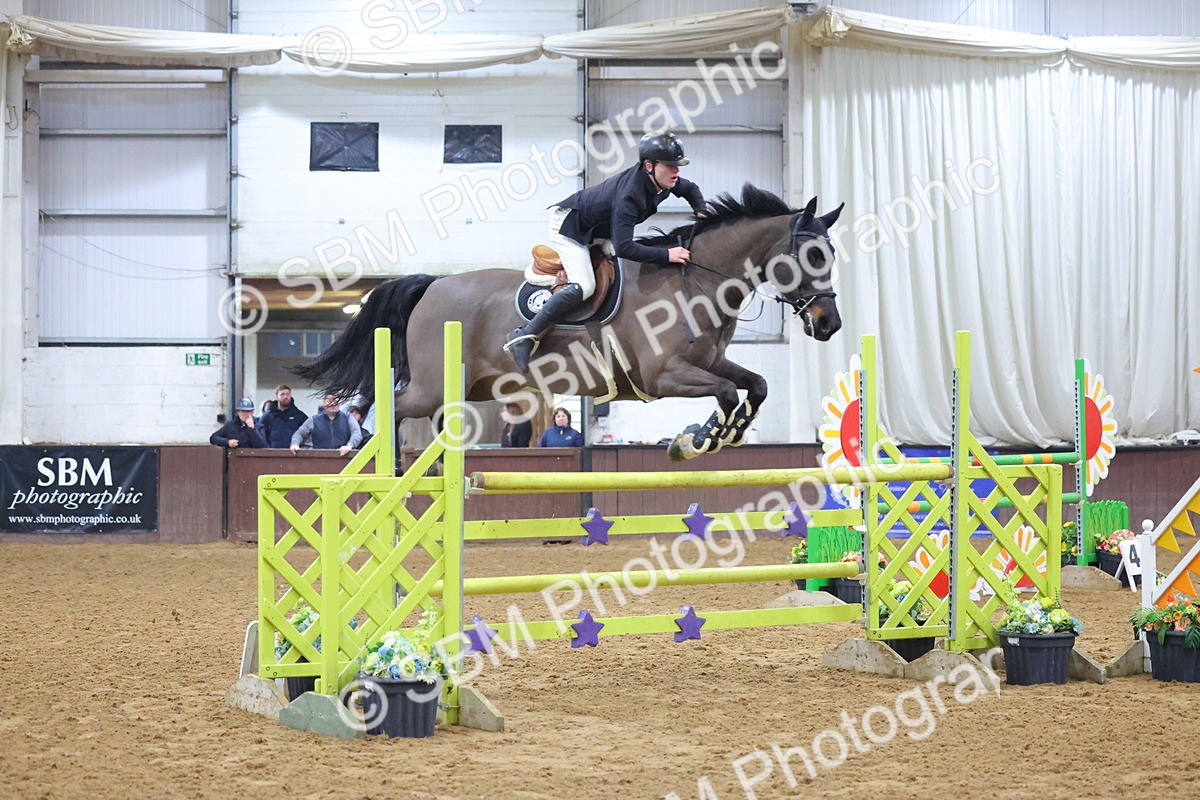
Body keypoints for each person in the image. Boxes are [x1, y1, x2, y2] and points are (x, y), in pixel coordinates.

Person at [504, 131, 706, 371]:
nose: (677, 171)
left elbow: (691, 189)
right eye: (671, 165)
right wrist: (667, 255)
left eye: (678, 165)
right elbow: (625, 247)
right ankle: (524, 336)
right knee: (585, 286)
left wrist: (702, 213)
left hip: (600, 229)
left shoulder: (663, 182)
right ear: (649, 166)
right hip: (570, 227)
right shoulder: (630, 195)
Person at [290, 393, 362, 456]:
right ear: (324, 403)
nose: (333, 403)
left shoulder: (349, 419)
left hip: (344, 458)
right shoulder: (313, 420)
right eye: (330, 401)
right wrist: (294, 444)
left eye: (336, 401)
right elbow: (299, 434)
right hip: (319, 460)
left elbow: (357, 434)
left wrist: (349, 446)